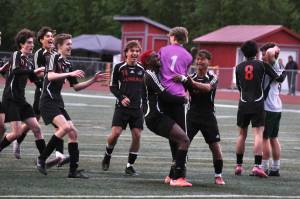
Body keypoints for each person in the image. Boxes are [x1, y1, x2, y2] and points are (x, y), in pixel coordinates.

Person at [36, 33, 104, 178]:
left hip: (58, 102)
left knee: (73, 133)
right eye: (67, 44)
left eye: (71, 44)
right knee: (65, 128)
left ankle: (73, 171)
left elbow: (76, 87)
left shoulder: (68, 64)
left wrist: (93, 80)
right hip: (47, 100)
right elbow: (49, 76)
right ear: (59, 46)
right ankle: (42, 159)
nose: (70, 47)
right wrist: (69, 74)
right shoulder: (53, 57)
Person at [12, 27, 69, 166]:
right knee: (35, 122)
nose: (51, 38)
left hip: (52, 93)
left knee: (50, 124)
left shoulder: (56, 54)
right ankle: (17, 140)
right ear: (41, 40)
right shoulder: (39, 54)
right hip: (42, 92)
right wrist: (48, 75)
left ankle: (59, 155)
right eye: (47, 36)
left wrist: (61, 76)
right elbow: (35, 73)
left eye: (52, 36)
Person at [234, 40, 286, 177]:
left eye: (265, 54)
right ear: (256, 52)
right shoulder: (264, 65)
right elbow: (280, 78)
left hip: (250, 103)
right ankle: (264, 166)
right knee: (264, 136)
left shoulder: (239, 67)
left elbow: (239, 87)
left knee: (247, 135)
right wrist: (276, 61)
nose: (263, 56)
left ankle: (242, 165)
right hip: (263, 104)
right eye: (261, 53)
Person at [141, 50, 192, 187]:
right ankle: (178, 178)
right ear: (147, 62)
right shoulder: (150, 74)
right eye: (154, 56)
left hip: (157, 116)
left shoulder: (155, 73)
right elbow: (165, 96)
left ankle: (171, 176)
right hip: (155, 117)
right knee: (184, 140)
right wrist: (183, 99)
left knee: (177, 141)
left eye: (157, 55)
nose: (158, 57)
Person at [175, 50, 225, 185]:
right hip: (192, 116)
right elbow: (179, 91)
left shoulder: (213, 77)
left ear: (209, 61)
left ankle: (218, 175)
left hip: (208, 117)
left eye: (202, 59)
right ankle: (176, 173)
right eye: (197, 59)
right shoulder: (190, 76)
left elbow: (207, 88)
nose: (199, 62)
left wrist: (188, 82)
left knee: (215, 147)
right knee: (183, 142)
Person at [101, 40, 146, 176]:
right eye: (132, 51)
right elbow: (112, 86)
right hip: (122, 107)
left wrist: (145, 105)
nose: (135, 53)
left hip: (137, 109)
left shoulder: (142, 69)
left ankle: (129, 166)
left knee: (137, 135)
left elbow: (145, 89)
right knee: (115, 134)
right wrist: (121, 97)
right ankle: (108, 154)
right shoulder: (119, 67)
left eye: (137, 51)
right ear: (126, 53)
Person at [0, 29, 46, 156]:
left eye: (32, 43)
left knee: (37, 129)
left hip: (21, 100)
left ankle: (43, 159)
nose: (32, 45)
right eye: (29, 42)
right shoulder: (16, 55)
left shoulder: (29, 62)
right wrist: (33, 72)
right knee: (17, 133)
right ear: (21, 44)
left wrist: (45, 84)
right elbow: (15, 70)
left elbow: (34, 80)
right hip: (11, 99)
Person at [158, 27, 193, 181]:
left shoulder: (162, 50)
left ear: (172, 36)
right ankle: (178, 172)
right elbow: (184, 77)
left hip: (164, 95)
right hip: (178, 97)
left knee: (172, 134)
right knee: (182, 136)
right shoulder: (188, 55)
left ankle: (173, 171)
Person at [260, 43, 286, 176]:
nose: (262, 56)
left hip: (268, 106)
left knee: (265, 138)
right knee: (273, 138)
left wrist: (274, 49)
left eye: (264, 53)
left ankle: (264, 168)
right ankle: (275, 168)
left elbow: (271, 52)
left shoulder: (271, 64)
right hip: (276, 106)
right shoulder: (279, 65)